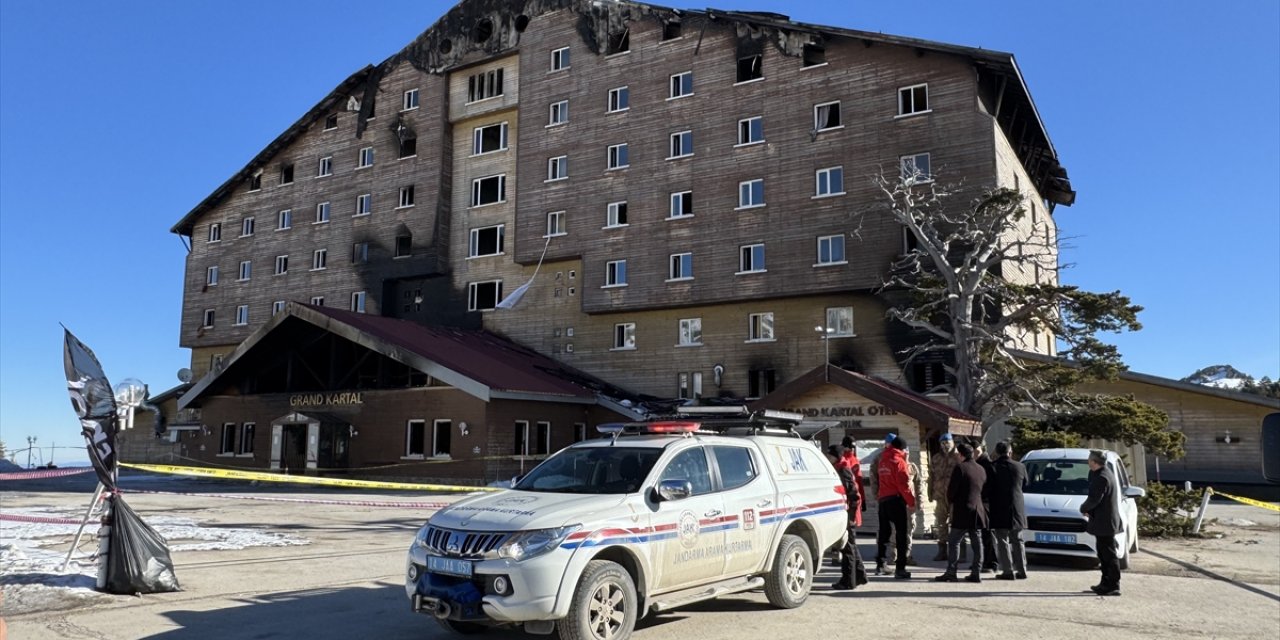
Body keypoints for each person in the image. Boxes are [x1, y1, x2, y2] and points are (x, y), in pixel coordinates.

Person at [935, 443, 987, 583]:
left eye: (958, 453)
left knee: (954, 541)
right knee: (977, 543)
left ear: (961, 454)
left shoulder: (960, 468)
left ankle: (951, 572)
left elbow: (952, 491)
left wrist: (951, 501)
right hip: (977, 509)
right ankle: (976, 572)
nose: (956, 455)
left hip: (962, 510)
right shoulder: (981, 469)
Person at [1081, 450, 1123, 596]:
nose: (1088, 461)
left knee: (1108, 554)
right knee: (1103, 553)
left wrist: (1084, 508)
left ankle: (1113, 584)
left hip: (1105, 522)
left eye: (1089, 459)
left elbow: (1095, 498)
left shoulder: (1102, 477)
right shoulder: (1100, 473)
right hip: (1101, 520)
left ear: (1094, 461)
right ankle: (1105, 583)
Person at [875, 435, 916, 579]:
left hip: (883, 500)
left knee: (884, 534)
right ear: (902, 448)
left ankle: (880, 564)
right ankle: (900, 568)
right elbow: (903, 485)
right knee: (901, 534)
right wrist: (911, 503)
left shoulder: (883, 460)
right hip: (896, 501)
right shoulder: (899, 462)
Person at [988, 441, 1028, 580]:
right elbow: (1025, 484)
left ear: (997, 453)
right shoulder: (1020, 466)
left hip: (999, 507)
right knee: (1018, 539)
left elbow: (988, 488)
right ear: (1010, 452)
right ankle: (1022, 569)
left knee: (1002, 540)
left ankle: (1008, 570)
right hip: (1017, 507)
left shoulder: (993, 467)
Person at [832, 437, 869, 589]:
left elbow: (854, 492)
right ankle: (860, 575)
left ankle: (849, 581)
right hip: (848, 511)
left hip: (848, 512)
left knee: (848, 546)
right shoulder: (842, 464)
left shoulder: (844, 467)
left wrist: (853, 515)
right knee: (851, 545)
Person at [928, 433, 959, 561]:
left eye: (948, 442)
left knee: (956, 523)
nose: (945, 445)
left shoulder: (958, 457)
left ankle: (958, 552)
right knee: (941, 523)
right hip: (940, 495)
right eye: (943, 443)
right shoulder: (936, 458)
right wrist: (930, 493)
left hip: (955, 496)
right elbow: (931, 477)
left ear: (952, 442)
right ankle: (942, 551)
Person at [974, 442, 998, 573]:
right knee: (981, 535)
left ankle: (992, 562)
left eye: (976, 450)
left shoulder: (987, 464)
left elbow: (990, 486)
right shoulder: (977, 464)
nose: (975, 453)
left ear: (981, 449)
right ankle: (982, 561)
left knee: (988, 534)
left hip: (986, 504)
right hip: (980, 503)